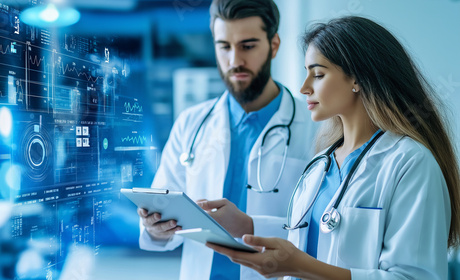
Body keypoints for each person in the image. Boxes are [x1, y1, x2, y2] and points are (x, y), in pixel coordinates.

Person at [206, 15, 460, 279]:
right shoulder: (321, 164)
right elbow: (316, 239)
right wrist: (247, 225)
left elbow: (413, 276)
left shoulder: (410, 164)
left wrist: (298, 266)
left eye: (318, 74)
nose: (304, 88)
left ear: (357, 79)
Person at [137, 0, 317, 279]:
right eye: (224, 46)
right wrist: (155, 228)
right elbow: (163, 214)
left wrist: (251, 226)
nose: (235, 61)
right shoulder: (190, 124)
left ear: (274, 45)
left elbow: (323, 230)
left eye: (247, 46)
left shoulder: (316, 127)